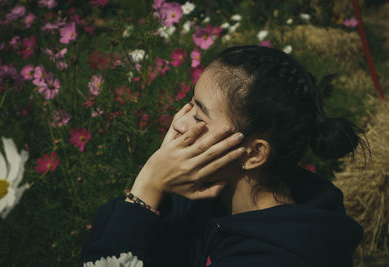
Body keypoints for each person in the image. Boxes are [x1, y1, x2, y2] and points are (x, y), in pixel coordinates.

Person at [80, 46, 367, 267]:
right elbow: (110, 228)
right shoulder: (208, 197)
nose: (180, 123)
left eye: (199, 115)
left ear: (253, 154)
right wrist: (153, 189)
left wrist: (149, 186)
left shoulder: (278, 256)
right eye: (190, 105)